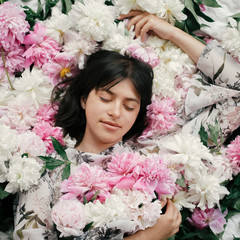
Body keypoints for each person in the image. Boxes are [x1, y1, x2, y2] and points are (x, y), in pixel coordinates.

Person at [13, 10, 240, 240]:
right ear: (84, 99)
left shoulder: (155, 161)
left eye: (129, 106)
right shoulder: (45, 172)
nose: (115, 112)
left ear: (139, 114)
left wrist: (171, 32)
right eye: (105, 98)